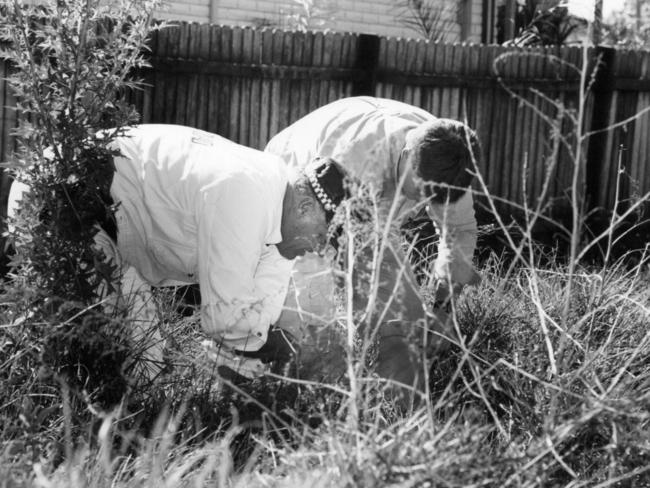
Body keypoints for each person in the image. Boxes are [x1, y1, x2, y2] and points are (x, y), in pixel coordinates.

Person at [7, 124, 354, 382]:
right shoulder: (245, 194)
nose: (319, 249)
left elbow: (254, 323)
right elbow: (226, 320)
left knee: (147, 367)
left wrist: (275, 350)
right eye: (324, 236)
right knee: (103, 352)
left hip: (111, 237)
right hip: (59, 196)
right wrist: (284, 365)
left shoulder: (282, 219)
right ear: (306, 207)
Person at [265, 96, 482, 398]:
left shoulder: (451, 160)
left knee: (402, 315)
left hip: (368, 206)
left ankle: (393, 405)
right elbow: (314, 256)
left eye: (434, 199)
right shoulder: (352, 160)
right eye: (420, 191)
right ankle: (291, 393)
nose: (424, 203)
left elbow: (458, 231)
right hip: (295, 171)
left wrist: (443, 311)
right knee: (301, 317)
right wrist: (322, 338)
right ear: (407, 154)